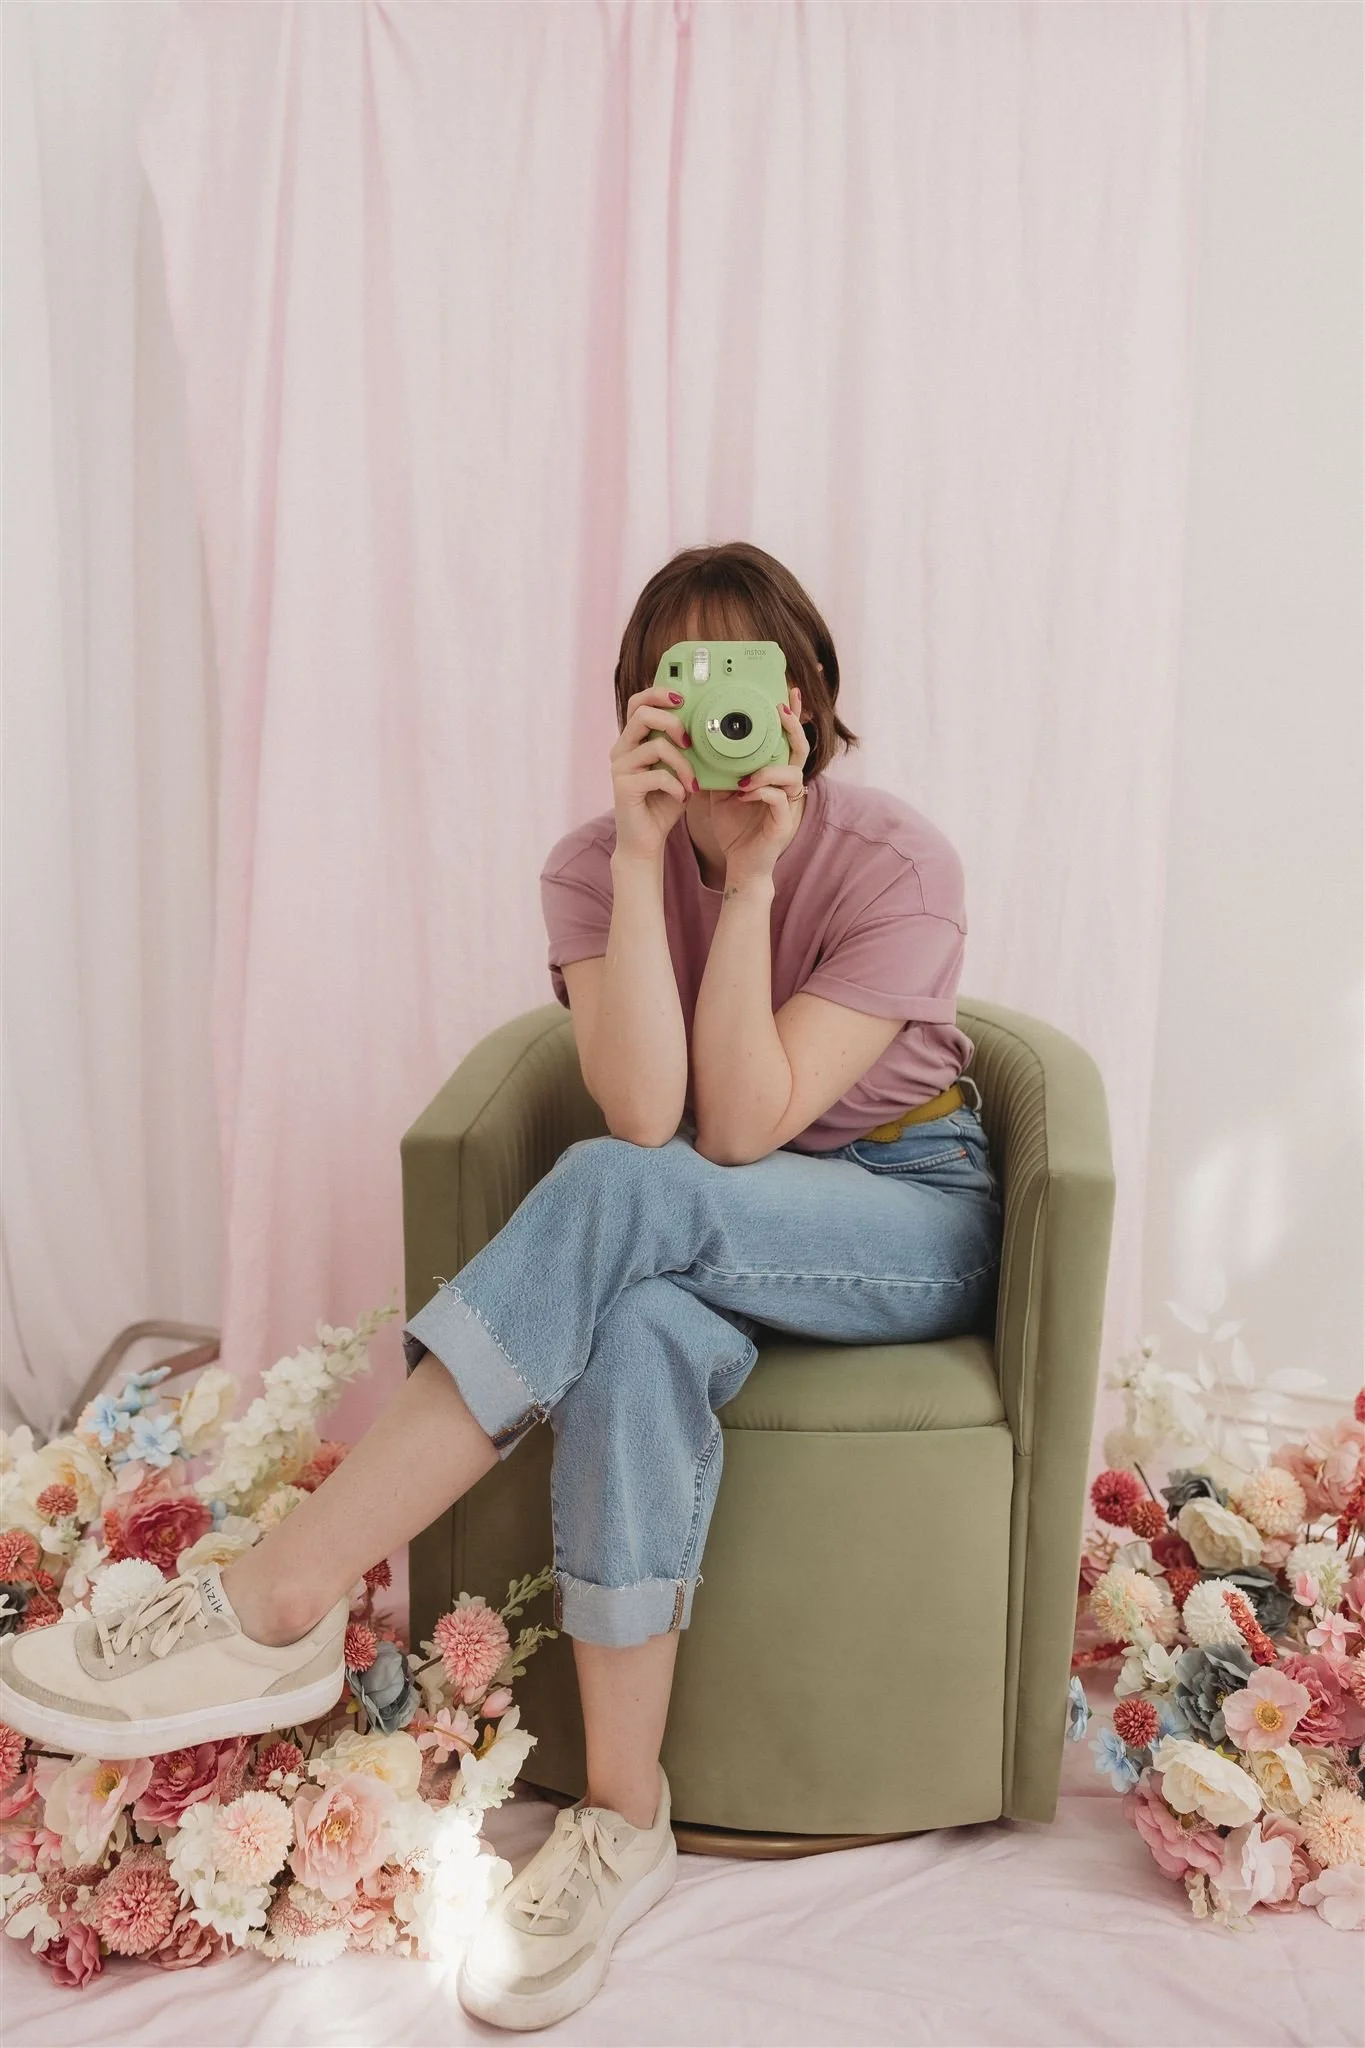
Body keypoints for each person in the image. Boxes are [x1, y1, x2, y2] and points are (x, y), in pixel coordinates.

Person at [0, 541, 1002, 2029]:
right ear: (635, 709)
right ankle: (620, 1819)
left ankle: (278, 1593)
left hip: (900, 1217)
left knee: (614, 1194)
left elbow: (736, 1126)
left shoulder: (898, 860)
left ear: (811, 704)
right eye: (684, 682)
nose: (723, 715)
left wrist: (753, 888)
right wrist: (657, 860)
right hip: (696, 1228)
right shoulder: (591, 870)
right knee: (636, 1333)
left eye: (754, 681)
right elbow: (655, 1114)